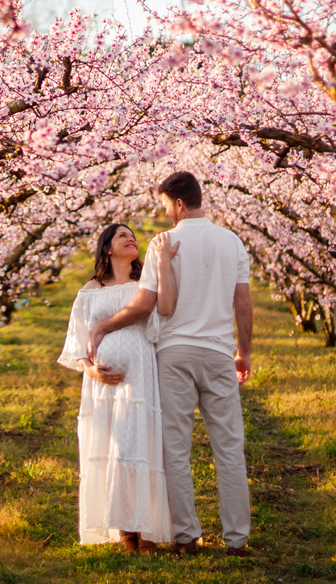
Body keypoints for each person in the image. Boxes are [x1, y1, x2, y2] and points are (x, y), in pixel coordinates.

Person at [89, 171, 254, 557]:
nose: (165, 214)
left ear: (179, 203)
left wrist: (103, 326)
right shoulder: (231, 242)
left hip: (174, 355)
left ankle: (186, 537)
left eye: (165, 206)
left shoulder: (165, 243)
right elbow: (242, 303)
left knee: (175, 450)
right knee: (230, 448)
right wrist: (243, 352)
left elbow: (146, 305)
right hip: (217, 352)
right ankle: (237, 540)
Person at [57, 223, 179, 552]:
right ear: (108, 248)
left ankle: (147, 530)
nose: (131, 239)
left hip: (140, 376)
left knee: (139, 448)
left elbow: (163, 316)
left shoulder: (145, 283)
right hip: (103, 387)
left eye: (133, 235)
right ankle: (126, 531)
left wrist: (164, 262)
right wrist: (91, 371)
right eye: (122, 235)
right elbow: (76, 342)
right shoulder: (91, 288)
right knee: (115, 451)